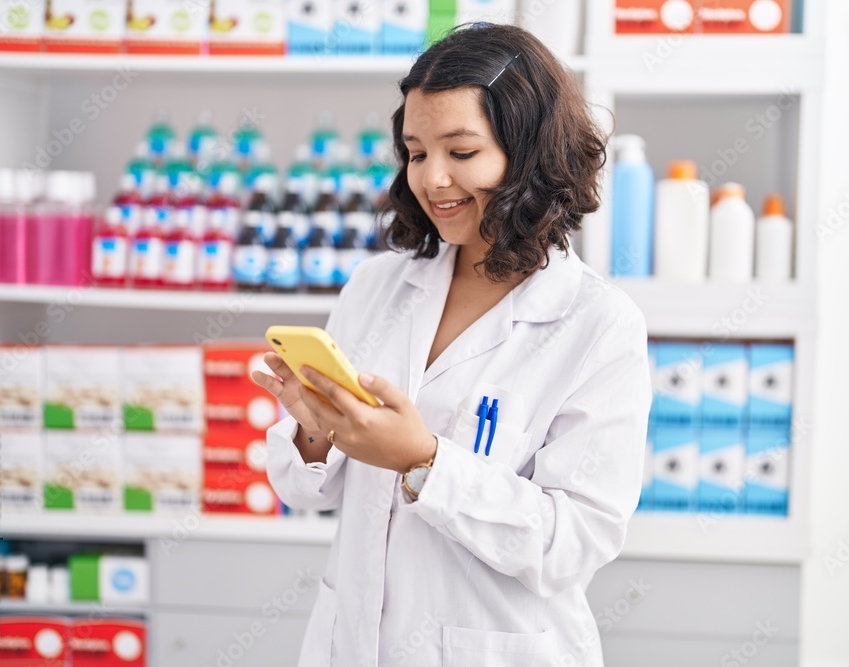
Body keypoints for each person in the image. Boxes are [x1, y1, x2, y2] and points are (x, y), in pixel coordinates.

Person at [252, 22, 651, 667]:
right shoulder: (377, 286)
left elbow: (575, 542)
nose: (433, 179)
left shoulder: (597, 325)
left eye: (461, 153)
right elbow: (307, 492)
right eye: (415, 152)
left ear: (531, 155)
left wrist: (424, 463)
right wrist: (314, 433)